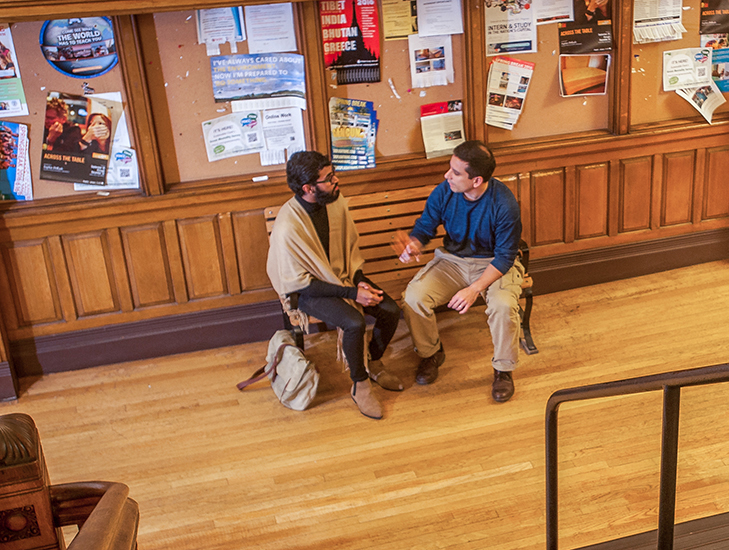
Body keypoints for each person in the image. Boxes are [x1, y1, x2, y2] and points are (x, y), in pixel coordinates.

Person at [266, 151, 403, 420]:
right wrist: (353, 294)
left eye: (333, 173)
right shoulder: (287, 227)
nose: (336, 180)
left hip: (342, 277)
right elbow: (300, 283)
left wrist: (360, 280)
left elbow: (349, 252)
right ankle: (360, 383)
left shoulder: (335, 202)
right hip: (306, 290)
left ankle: (373, 361)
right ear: (308, 188)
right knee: (354, 322)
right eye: (328, 178)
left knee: (389, 310)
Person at [395, 140, 524, 403]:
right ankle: (431, 353)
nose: (447, 176)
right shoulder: (444, 192)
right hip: (453, 261)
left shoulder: (504, 203)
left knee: (502, 306)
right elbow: (425, 227)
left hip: (494, 265)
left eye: (455, 172)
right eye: (449, 169)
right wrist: (413, 244)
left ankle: (503, 370)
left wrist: (474, 288)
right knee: (413, 297)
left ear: (476, 180)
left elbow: (505, 257)